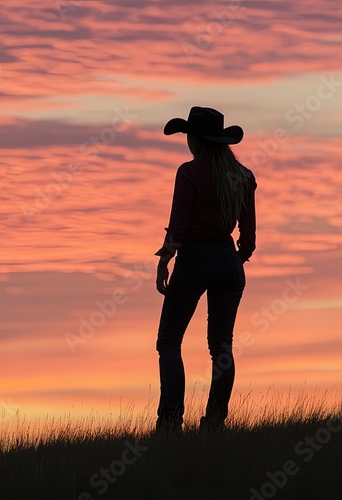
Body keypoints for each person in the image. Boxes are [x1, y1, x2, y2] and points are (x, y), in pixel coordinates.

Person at [154, 106, 257, 433]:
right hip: (228, 260)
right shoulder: (242, 176)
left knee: (169, 341)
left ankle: (170, 424)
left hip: (195, 259)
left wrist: (164, 260)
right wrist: (235, 259)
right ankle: (214, 423)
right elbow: (249, 238)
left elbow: (179, 227)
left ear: (196, 139)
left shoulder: (189, 172)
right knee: (221, 346)